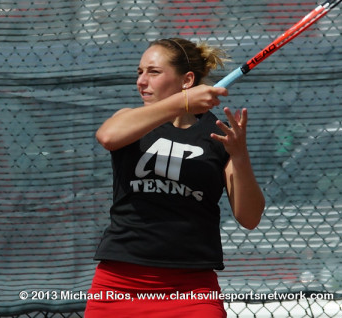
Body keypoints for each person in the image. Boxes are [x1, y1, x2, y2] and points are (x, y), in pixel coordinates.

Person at [85, 38, 265, 318]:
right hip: (119, 286)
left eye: (153, 72)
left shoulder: (218, 136)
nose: (141, 81)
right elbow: (108, 137)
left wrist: (240, 156)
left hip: (192, 291)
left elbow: (250, 217)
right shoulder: (130, 120)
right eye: (139, 72)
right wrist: (182, 103)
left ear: (187, 79)